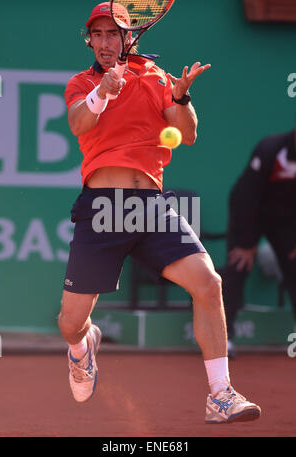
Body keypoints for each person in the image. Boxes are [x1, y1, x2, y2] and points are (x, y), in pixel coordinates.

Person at [58, 1, 261, 423]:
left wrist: (182, 96)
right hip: (101, 209)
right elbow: (79, 124)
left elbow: (187, 134)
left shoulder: (155, 78)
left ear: (128, 37)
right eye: (96, 34)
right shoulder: (81, 83)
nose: (103, 41)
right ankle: (82, 348)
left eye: (112, 33)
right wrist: (103, 92)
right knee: (69, 323)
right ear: (90, 41)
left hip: (150, 206)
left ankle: (221, 394)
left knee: (208, 282)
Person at [220, 124, 296, 355]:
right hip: (252, 214)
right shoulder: (271, 148)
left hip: (288, 221)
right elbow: (246, 195)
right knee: (238, 265)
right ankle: (224, 340)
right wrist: (245, 242)